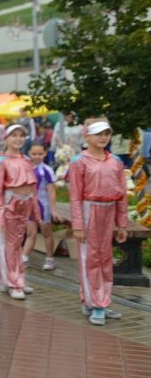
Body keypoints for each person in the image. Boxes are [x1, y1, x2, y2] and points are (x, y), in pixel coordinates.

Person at [69, 118, 128, 326]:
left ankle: (99, 300)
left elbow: (122, 195)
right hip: (89, 210)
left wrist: (122, 224)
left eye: (107, 133)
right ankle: (97, 304)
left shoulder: (116, 162)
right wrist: (77, 225)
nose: (104, 138)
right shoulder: (79, 161)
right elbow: (75, 195)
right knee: (90, 258)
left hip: (108, 210)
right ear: (88, 136)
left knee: (105, 258)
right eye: (99, 134)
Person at [0, 124, 39, 300]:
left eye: (21, 135)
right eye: (14, 135)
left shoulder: (26, 160)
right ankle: (13, 282)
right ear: (6, 138)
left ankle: (16, 278)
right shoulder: (1, 161)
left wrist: (37, 213)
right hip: (9, 205)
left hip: (24, 206)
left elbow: (33, 189)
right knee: (10, 245)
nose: (18, 139)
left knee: (17, 244)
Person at [22, 142, 60, 270]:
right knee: (31, 233)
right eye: (34, 154)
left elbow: (51, 191)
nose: (37, 156)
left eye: (40, 154)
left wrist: (53, 210)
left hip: (44, 207)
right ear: (29, 154)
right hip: (30, 206)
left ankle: (50, 259)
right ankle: (24, 258)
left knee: (46, 233)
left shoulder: (47, 170)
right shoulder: (26, 167)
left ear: (45, 154)